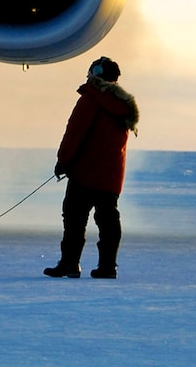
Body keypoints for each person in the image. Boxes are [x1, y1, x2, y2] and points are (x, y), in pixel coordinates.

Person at [45, 55, 138, 279]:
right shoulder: (122, 105)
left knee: (74, 218)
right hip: (111, 177)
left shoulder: (91, 99)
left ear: (95, 74)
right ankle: (108, 266)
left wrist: (63, 161)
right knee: (108, 221)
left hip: (85, 174)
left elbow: (75, 132)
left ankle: (70, 263)